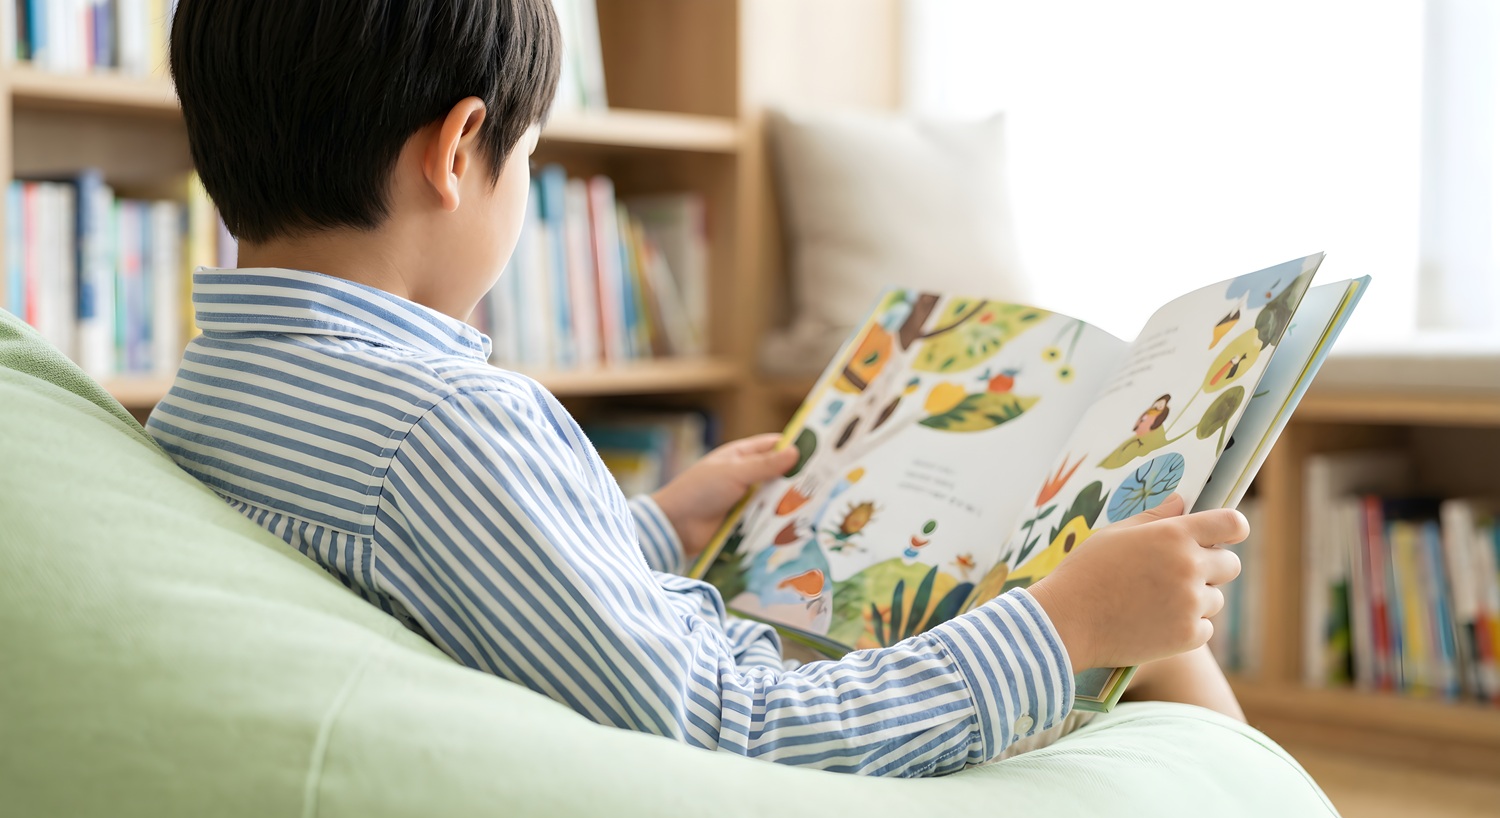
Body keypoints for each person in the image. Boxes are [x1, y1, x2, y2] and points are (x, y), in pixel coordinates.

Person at [151, 0, 1246, 778]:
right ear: (458, 152)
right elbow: (731, 723)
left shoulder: (220, 384)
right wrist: (1057, 628)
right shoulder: (449, 422)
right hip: (756, 764)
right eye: (530, 154)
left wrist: (657, 528)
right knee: (1161, 645)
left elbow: (460, 577)